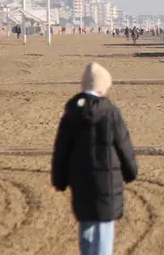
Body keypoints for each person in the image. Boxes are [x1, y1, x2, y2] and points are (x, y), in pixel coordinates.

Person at [51, 62, 138, 255]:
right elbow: (124, 145)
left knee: (87, 229)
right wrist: (131, 171)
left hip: (81, 182)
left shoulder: (71, 113)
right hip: (107, 184)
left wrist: (59, 180)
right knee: (104, 232)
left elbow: (61, 151)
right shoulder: (111, 113)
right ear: (102, 86)